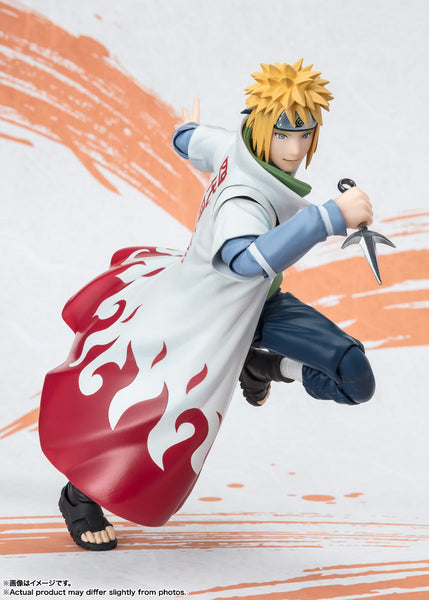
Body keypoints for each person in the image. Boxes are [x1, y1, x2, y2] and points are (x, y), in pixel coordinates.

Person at [39, 59, 375, 551]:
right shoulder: (244, 198)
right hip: (203, 317)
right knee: (138, 411)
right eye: (283, 135)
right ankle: (80, 494)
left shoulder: (233, 145)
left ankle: (263, 366)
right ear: (261, 128)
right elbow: (243, 260)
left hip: (259, 306)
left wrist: (188, 129)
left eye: (304, 135)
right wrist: (328, 218)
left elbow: (189, 141)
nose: (295, 149)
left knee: (355, 377)